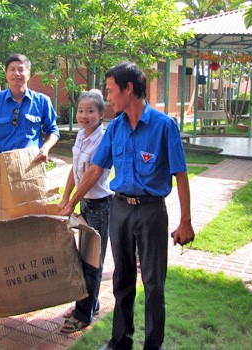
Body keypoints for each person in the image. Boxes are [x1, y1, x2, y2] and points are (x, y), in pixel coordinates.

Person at [59, 62, 195, 350]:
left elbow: (180, 175)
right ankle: (120, 341)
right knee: (122, 279)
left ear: (128, 89)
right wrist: (71, 201)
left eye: (111, 91)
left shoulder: (163, 126)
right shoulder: (116, 128)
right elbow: (96, 169)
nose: (108, 99)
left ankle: (152, 345)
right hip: (119, 209)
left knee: (154, 284)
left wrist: (186, 221)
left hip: (151, 212)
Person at [58, 89, 113, 333]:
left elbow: (92, 176)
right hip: (86, 205)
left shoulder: (103, 140)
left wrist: (71, 203)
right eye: (80, 110)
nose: (84, 115)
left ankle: (83, 314)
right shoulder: (81, 136)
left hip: (100, 207)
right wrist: (66, 196)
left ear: (101, 114)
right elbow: (75, 170)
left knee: (92, 263)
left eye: (90, 111)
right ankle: (92, 303)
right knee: (83, 259)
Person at [0, 53, 60, 179]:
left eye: (21, 69)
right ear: (6, 74)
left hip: (31, 166)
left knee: (34, 200)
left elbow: (53, 131)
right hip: (0, 166)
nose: (16, 73)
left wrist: (45, 148)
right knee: (1, 200)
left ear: (29, 74)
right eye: (12, 69)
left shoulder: (42, 101)